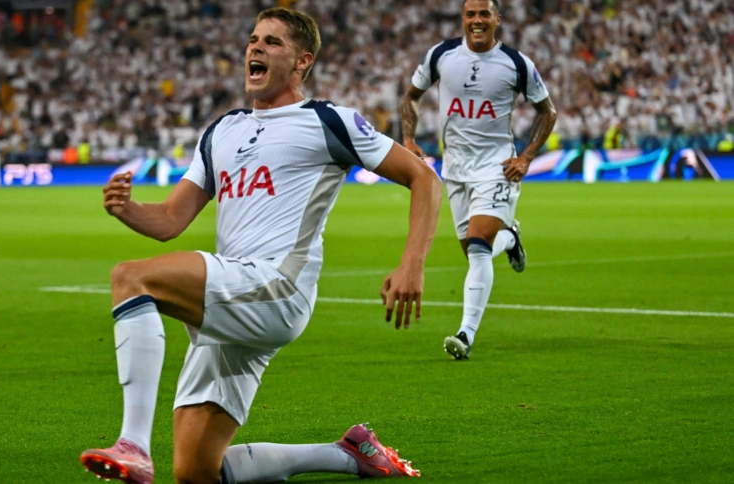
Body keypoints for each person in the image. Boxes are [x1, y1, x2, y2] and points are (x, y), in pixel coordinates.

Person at [80, 7, 442, 483]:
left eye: (272, 42)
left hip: (277, 286)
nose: (255, 47)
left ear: (302, 61)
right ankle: (348, 454)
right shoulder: (221, 130)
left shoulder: (327, 120)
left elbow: (424, 178)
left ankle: (133, 444)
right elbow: (170, 220)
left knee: (131, 277)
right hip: (232, 297)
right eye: (253, 39)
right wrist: (128, 209)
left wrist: (412, 263)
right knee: (196, 472)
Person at [400, 0, 557, 360]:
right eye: (470, 14)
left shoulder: (516, 63)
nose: (477, 20)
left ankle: (465, 335)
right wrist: (408, 139)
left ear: (497, 19)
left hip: (496, 168)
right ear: (463, 18)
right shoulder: (441, 55)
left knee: (477, 247)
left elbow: (547, 112)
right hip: (455, 171)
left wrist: (526, 157)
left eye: (484, 13)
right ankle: (510, 236)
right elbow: (411, 96)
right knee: (475, 252)